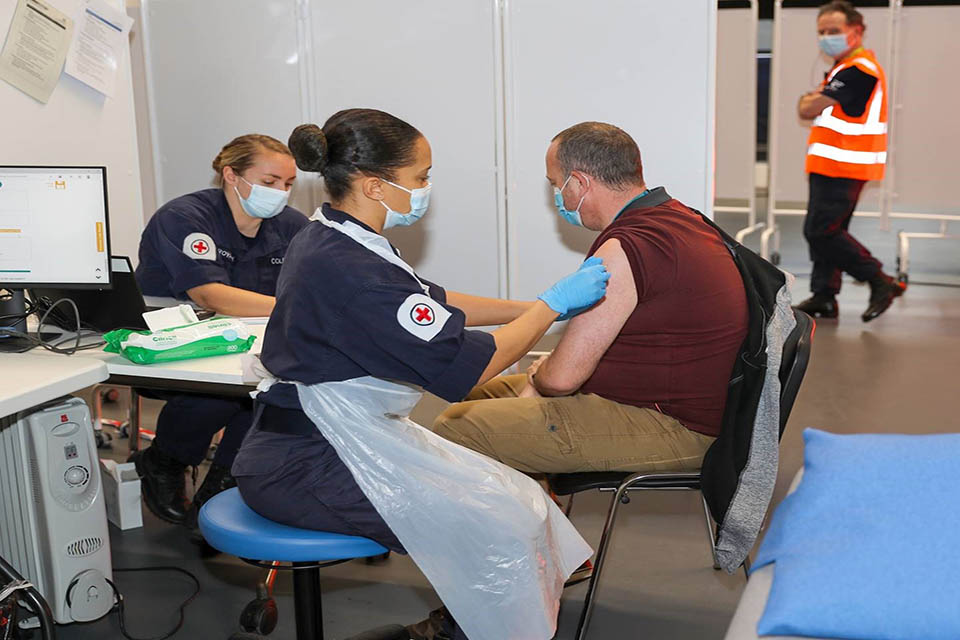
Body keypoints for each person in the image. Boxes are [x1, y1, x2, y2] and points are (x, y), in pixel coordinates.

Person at [231, 109, 608, 640]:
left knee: (518, 499)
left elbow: (432, 303)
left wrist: (530, 306)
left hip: (333, 442)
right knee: (496, 524)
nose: (427, 188)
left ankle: (459, 628)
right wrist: (550, 307)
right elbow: (471, 363)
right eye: (421, 177)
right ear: (373, 185)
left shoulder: (337, 236)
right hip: (303, 466)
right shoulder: (351, 268)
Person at [432, 122, 748, 480]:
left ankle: (518, 528)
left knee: (457, 427)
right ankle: (535, 508)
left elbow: (562, 380)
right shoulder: (677, 218)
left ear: (580, 184)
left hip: (676, 427)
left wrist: (540, 376)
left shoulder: (625, 247)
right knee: (477, 395)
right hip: (678, 405)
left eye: (556, 185)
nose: (557, 197)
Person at [131, 134, 308, 533]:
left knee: (272, 391)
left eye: (288, 184)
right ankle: (165, 461)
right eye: (269, 182)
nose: (280, 192)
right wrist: (297, 310)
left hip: (248, 346)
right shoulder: (185, 217)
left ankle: (223, 486)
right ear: (231, 175)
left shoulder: (291, 227)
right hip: (170, 349)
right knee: (224, 394)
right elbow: (209, 294)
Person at [794, 0, 905, 322]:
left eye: (834, 31)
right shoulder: (845, 67)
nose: (826, 37)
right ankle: (824, 295)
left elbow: (807, 108)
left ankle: (879, 280)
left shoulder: (858, 69)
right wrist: (813, 99)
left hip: (843, 166)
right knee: (830, 228)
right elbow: (811, 104)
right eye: (821, 32)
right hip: (834, 164)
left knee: (820, 231)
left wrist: (811, 99)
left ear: (857, 32)